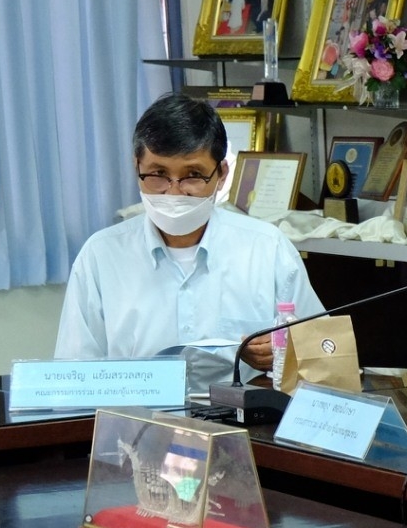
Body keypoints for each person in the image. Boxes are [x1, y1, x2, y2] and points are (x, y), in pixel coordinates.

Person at [56, 94, 323, 375]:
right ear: (137, 168)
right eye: (158, 174)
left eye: (192, 175)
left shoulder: (267, 249)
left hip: (243, 415)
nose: (174, 192)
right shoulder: (101, 255)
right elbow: (75, 373)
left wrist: (285, 353)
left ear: (221, 174)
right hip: (136, 416)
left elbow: (322, 354)